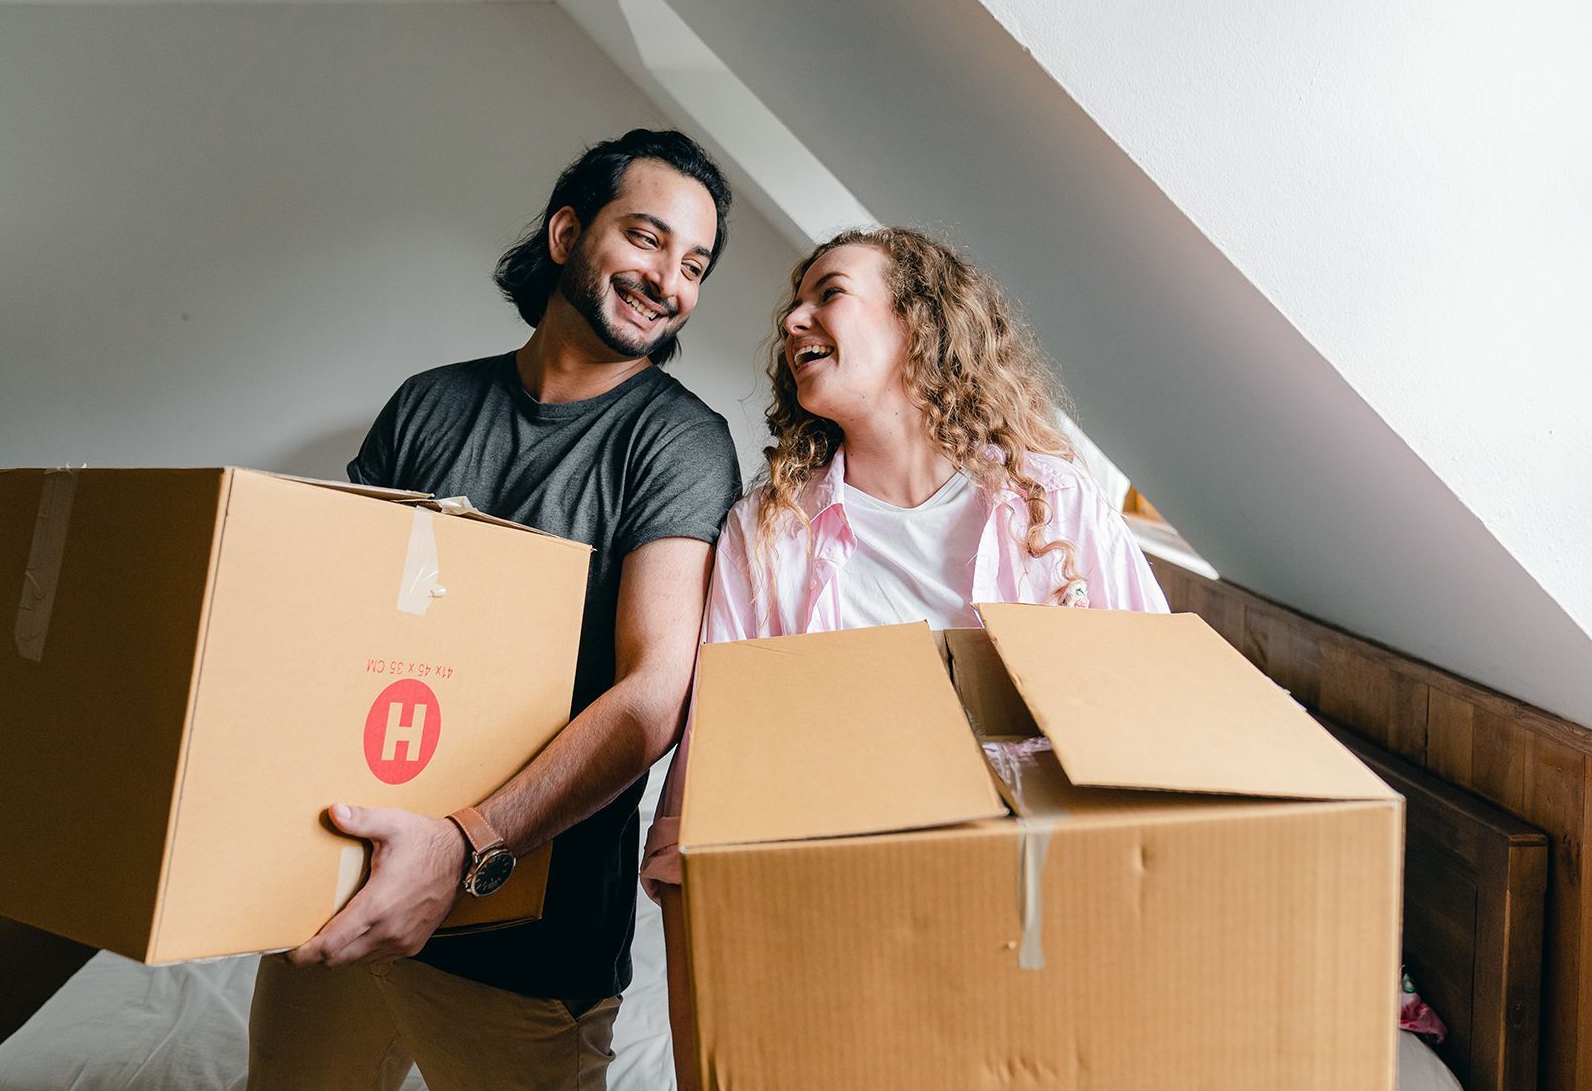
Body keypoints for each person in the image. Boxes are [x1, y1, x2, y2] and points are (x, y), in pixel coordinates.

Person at [246, 129, 744, 1091]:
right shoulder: (427, 405)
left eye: (693, 265)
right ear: (567, 232)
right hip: (342, 887)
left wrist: (465, 842)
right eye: (646, 239)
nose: (669, 281)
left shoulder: (678, 443)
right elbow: (332, 630)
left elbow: (653, 696)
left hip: (527, 942)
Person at [639, 226, 1169, 1084]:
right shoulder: (768, 535)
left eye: (829, 292)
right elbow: (712, 781)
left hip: (1045, 931)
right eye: (795, 301)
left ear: (918, 322)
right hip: (844, 937)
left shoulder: (1058, 508)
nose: (793, 319)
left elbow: (1164, 721)